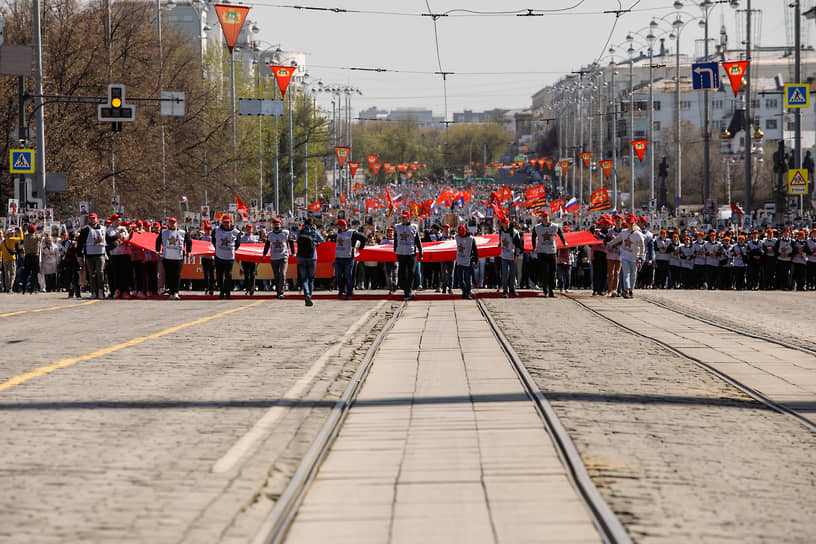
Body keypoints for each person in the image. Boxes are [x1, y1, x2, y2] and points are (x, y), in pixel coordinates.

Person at [607, 214, 644, 299]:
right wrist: (610, 244)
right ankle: (626, 290)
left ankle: (631, 290)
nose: (630, 225)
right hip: (625, 256)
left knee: (633, 274)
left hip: (634, 257)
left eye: (632, 223)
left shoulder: (638, 234)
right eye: (629, 223)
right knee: (626, 273)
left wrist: (640, 258)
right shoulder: (624, 232)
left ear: (634, 224)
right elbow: (617, 239)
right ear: (626, 224)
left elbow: (642, 247)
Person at [531, 211, 566, 298]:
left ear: (549, 217)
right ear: (541, 218)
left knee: (552, 272)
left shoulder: (555, 226)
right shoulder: (537, 227)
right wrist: (534, 246)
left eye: (546, 216)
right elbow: (533, 236)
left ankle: (551, 289)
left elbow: (561, 234)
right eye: (543, 216)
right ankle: (545, 290)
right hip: (541, 252)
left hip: (552, 252)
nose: (545, 218)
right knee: (543, 272)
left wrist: (564, 242)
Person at [155, 217, 191, 300]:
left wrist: (188, 251)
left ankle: (176, 292)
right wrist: (157, 250)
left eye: (173, 223)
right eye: (170, 223)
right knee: (169, 275)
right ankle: (171, 291)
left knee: (177, 275)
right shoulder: (164, 232)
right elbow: (158, 241)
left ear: (176, 223)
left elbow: (189, 241)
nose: (171, 224)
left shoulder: (182, 232)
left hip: (178, 257)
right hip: (167, 257)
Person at [393, 210, 423, 301]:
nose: (403, 219)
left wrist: (421, 252)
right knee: (402, 273)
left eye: (405, 217)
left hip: (411, 253)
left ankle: (408, 291)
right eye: (402, 217)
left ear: (408, 218)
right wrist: (395, 248)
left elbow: (417, 240)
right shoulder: (397, 227)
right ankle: (405, 289)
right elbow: (395, 238)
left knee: (411, 272)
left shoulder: (414, 227)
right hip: (401, 253)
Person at [334, 218, 367, 300]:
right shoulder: (338, 233)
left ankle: (349, 292)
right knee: (337, 275)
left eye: (338, 225)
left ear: (342, 226)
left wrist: (361, 247)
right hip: (338, 257)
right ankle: (341, 290)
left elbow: (363, 238)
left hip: (348, 258)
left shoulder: (352, 233)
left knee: (348, 275)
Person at [76, 213, 107, 299]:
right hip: (89, 254)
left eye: (93, 218)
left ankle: (101, 290)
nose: (92, 220)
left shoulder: (103, 229)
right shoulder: (85, 230)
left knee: (100, 272)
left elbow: (107, 239)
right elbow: (80, 243)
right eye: (90, 219)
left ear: (97, 219)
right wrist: (79, 256)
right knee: (92, 273)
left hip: (100, 253)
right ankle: (93, 291)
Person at [296, 218, 324, 306]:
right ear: (312, 225)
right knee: (311, 278)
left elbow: (297, 240)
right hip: (312, 257)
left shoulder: (300, 232)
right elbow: (322, 240)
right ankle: (310, 296)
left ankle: (306, 294)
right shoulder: (314, 232)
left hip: (301, 257)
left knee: (304, 278)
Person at [262, 218, 292, 299]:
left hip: (283, 256)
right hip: (274, 257)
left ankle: (281, 292)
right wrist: (264, 253)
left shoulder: (285, 233)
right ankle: (278, 292)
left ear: (280, 224)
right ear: (272, 225)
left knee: (282, 274)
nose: (276, 225)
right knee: (276, 275)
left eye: (278, 224)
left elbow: (291, 242)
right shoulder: (270, 234)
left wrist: (293, 252)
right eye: (275, 224)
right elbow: (267, 244)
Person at [213, 215, 241, 300]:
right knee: (219, 276)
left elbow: (238, 244)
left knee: (228, 276)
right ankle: (221, 292)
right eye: (224, 222)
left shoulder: (236, 232)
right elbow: (213, 241)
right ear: (222, 222)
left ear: (230, 222)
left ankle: (228, 292)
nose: (226, 224)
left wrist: (231, 250)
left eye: (227, 222)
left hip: (229, 258)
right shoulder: (216, 231)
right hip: (219, 257)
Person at [498, 217, 522, 297]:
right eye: (505, 223)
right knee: (505, 274)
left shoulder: (514, 232)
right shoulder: (500, 231)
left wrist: (517, 256)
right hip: (504, 256)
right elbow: (500, 240)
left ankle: (512, 288)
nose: (506, 225)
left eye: (507, 223)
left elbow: (518, 245)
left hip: (512, 256)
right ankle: (505, 291)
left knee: (512, 274)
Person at [453, 224, 478, 299]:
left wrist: (476, 261)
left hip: (468, 261)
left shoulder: (471, 239)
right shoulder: (457, 237)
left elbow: (475, 250)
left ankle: (468, 292)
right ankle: (464, 291)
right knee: (460, 279)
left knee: (468, 278)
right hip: (459, 261)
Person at [604, 215, 623, 297]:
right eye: (616, 220)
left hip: (619, 254)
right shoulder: (610, 231)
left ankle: (615, 290)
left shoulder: (624, 232)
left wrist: (614, 239)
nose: (618, 222)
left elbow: (624, 243)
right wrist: (610, 238)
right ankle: (609, 290)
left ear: (621, 222)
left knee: (617, 273)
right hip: (611, 253)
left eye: (619, 220)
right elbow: (605, 241)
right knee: (610, 273)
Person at [20, 225, 42, 294]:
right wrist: (44, 223)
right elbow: (42, 233)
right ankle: (32, 289)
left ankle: (23, 288)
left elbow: (24, 232)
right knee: (34, 274)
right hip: (35, 256)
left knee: (26, 273)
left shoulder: (25, 237)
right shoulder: (36, 237)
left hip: (27, 256)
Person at [1, 226, 23, 293]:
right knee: (12, 274)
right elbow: (21, 238)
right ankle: (10, 288)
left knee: (6, 275)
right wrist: (20, 230)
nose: (13, 234)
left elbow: (0, 249)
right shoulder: (12, 239)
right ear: (9, 234)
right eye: (12, 233)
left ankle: (7, 288)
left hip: (5, 260)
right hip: (11, 259)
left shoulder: (3, 241)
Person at [240, 224, 259, 295]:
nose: (249, 230)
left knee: (253, 274)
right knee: (246, 274)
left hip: (253, 257)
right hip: (245, 258)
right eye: (248, 228)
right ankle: (247, 288)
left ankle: (252, 288)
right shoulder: (242, 238)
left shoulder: (255, 237)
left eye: (250, 228)